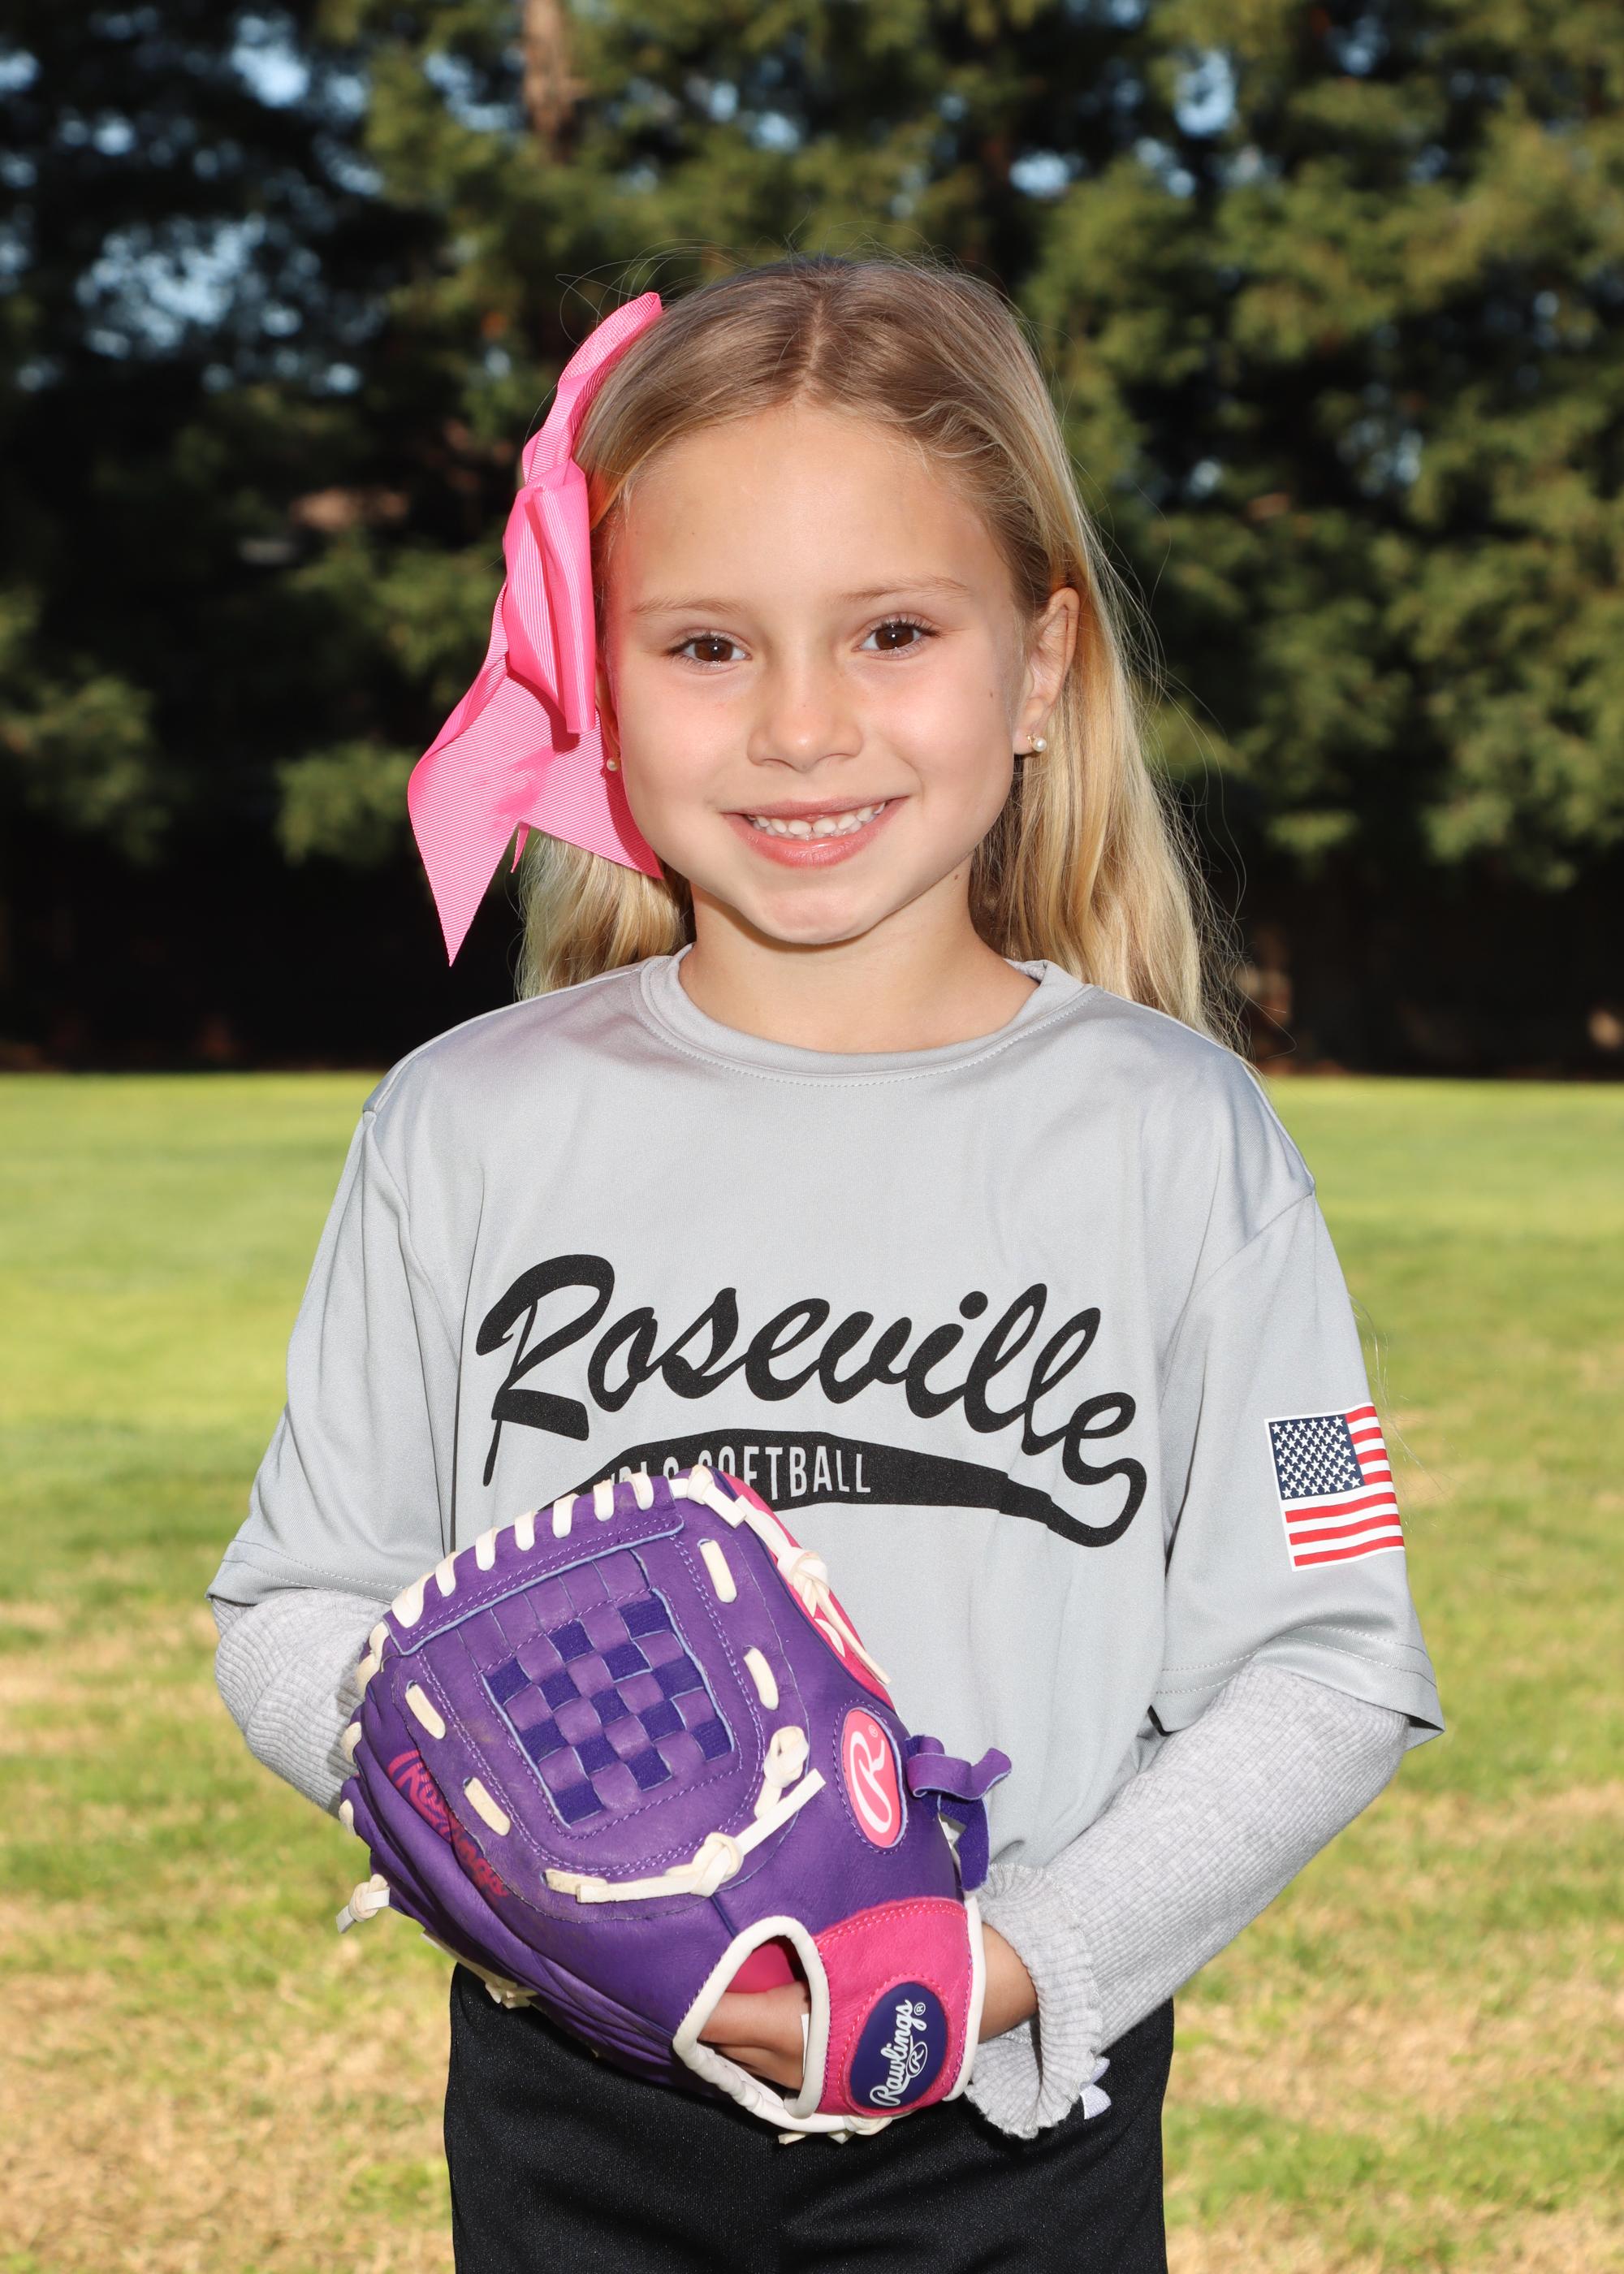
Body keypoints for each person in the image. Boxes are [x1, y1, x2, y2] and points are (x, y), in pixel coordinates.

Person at [209, 257, 1441, 2272]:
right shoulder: (465, 1124)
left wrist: (1008, 1959)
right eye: (706, 643)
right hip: (575, 2102)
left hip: (1008, 2115)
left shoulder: (1186, 1140)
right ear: (598, 682)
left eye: (892, 631)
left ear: (1038, 665)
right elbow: (297, 1598)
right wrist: (520, 1846)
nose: (801, 725)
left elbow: (1331, 1652)